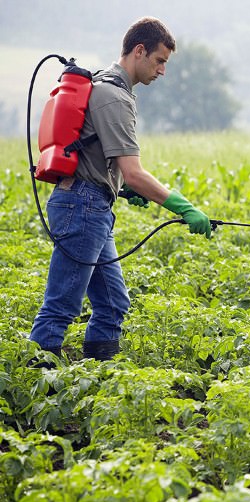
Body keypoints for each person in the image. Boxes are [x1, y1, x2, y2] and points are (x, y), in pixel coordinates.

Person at [29, 17, 212, 362]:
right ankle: (31, 389)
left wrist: (123, 189)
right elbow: (134, 171)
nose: (162, 71)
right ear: (139, 51)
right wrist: (184, 207)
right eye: (160, 61)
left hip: (91, 203)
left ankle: (98, 381)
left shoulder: (105, 86)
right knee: (61, 306)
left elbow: (103, 158)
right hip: (83, 206)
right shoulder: (114, 97)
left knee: (113, 304)